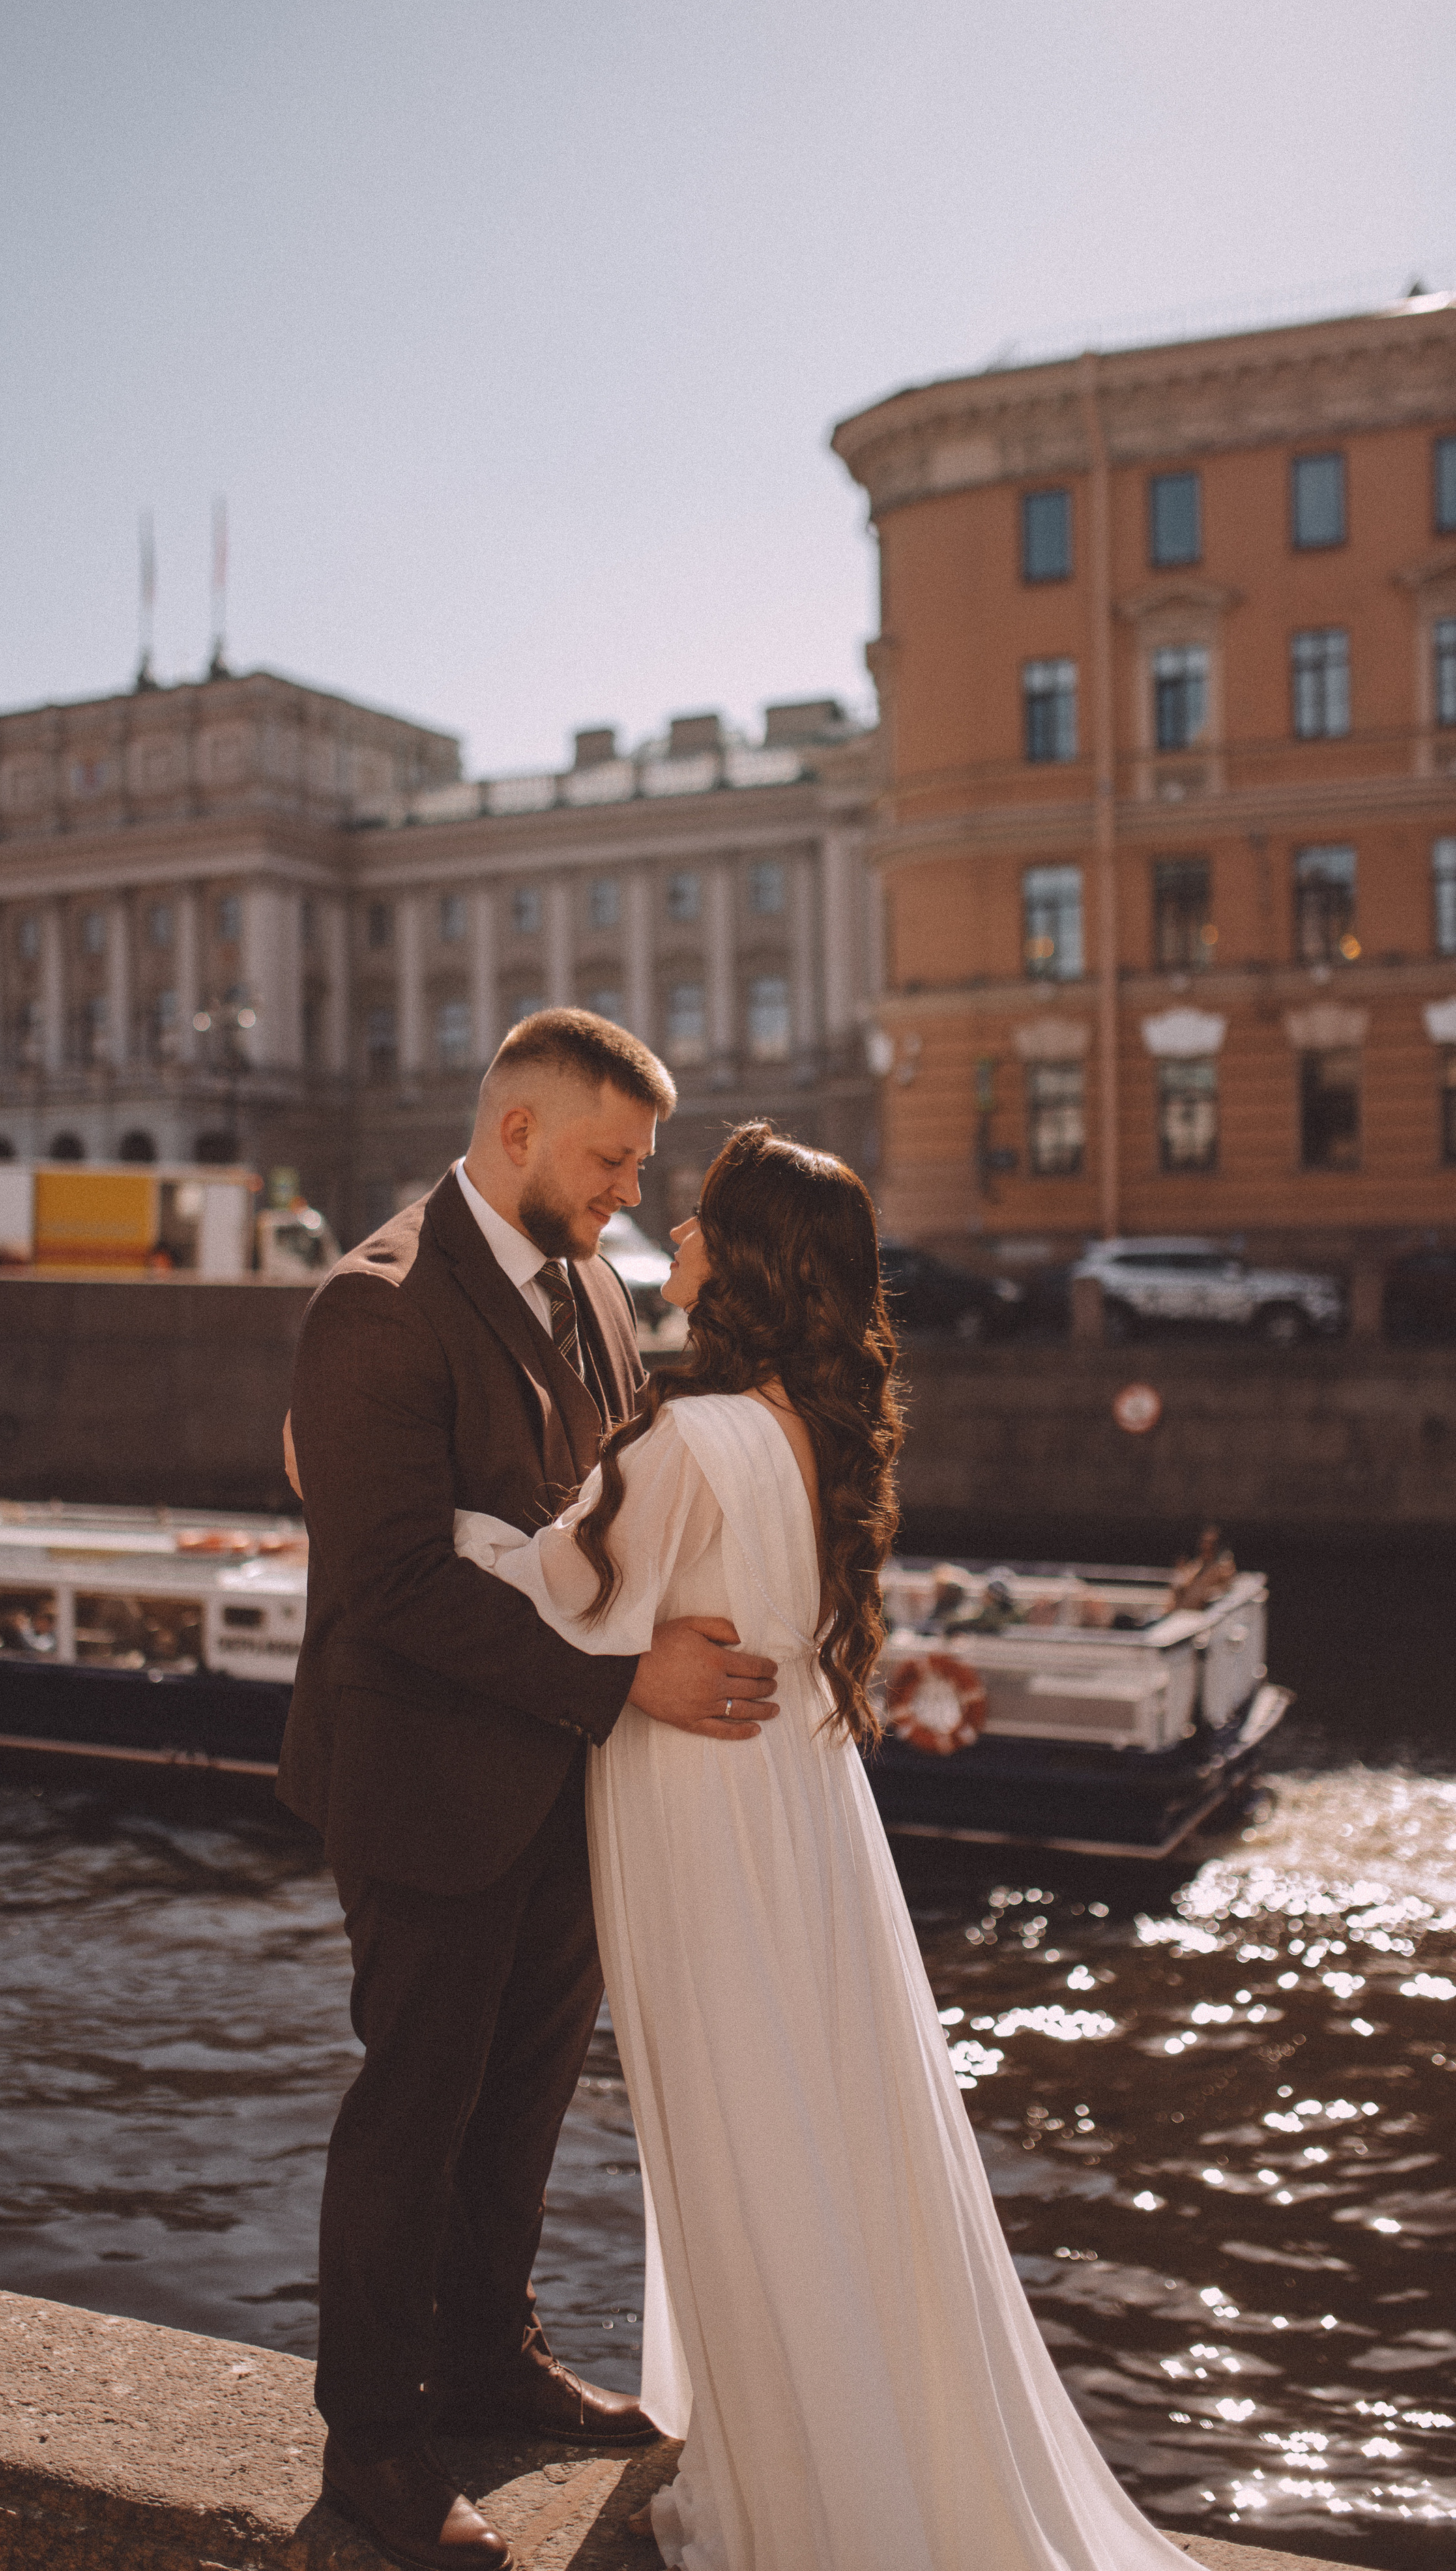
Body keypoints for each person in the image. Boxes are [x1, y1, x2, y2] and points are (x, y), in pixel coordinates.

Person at [452, 1122, 1197, 2571]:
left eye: (690, 1226)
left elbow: (546, 1591)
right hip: (798, 1812)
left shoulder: (685, 1438)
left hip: (700, 1811)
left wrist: (406, 1507)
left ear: (738, 1264)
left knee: (733, 2124)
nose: (665, 1244)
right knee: (813, 2120)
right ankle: (837, 2434)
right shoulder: (808, 1431)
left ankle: (794, 2477)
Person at [280, 1011, 780, 2571]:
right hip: (426, 1779)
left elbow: (599, 1516)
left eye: (638, 1161)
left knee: (521, 2099)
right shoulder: (377, 1305)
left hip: (558, 1780)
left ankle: (490, 2356)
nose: (632, 1186)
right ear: (515, 1133)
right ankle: (370, 2443)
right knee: (412, 2109)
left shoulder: (587, 1284)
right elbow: (392, 1584)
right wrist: (626, 1675)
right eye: (610, 1155)